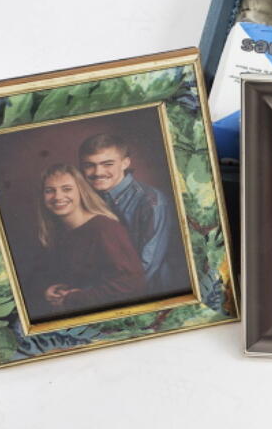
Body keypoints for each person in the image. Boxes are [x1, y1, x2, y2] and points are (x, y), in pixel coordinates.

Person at [78, 133, 188, 296]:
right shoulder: (84, 198)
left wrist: (93, 295)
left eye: (107, 164)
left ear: (125, 163)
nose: (98, 172)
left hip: (150, 293)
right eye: (89, 165)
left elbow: (147, 267)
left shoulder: (152, 202)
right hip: (103, 287)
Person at [35, 163, 146, 319]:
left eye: (67, 189)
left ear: (81, 191)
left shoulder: (105, 228)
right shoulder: (58, 232)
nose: (58, 197)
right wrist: (50, 292)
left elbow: (132, 283)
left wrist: (75, 299)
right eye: (49, 191)